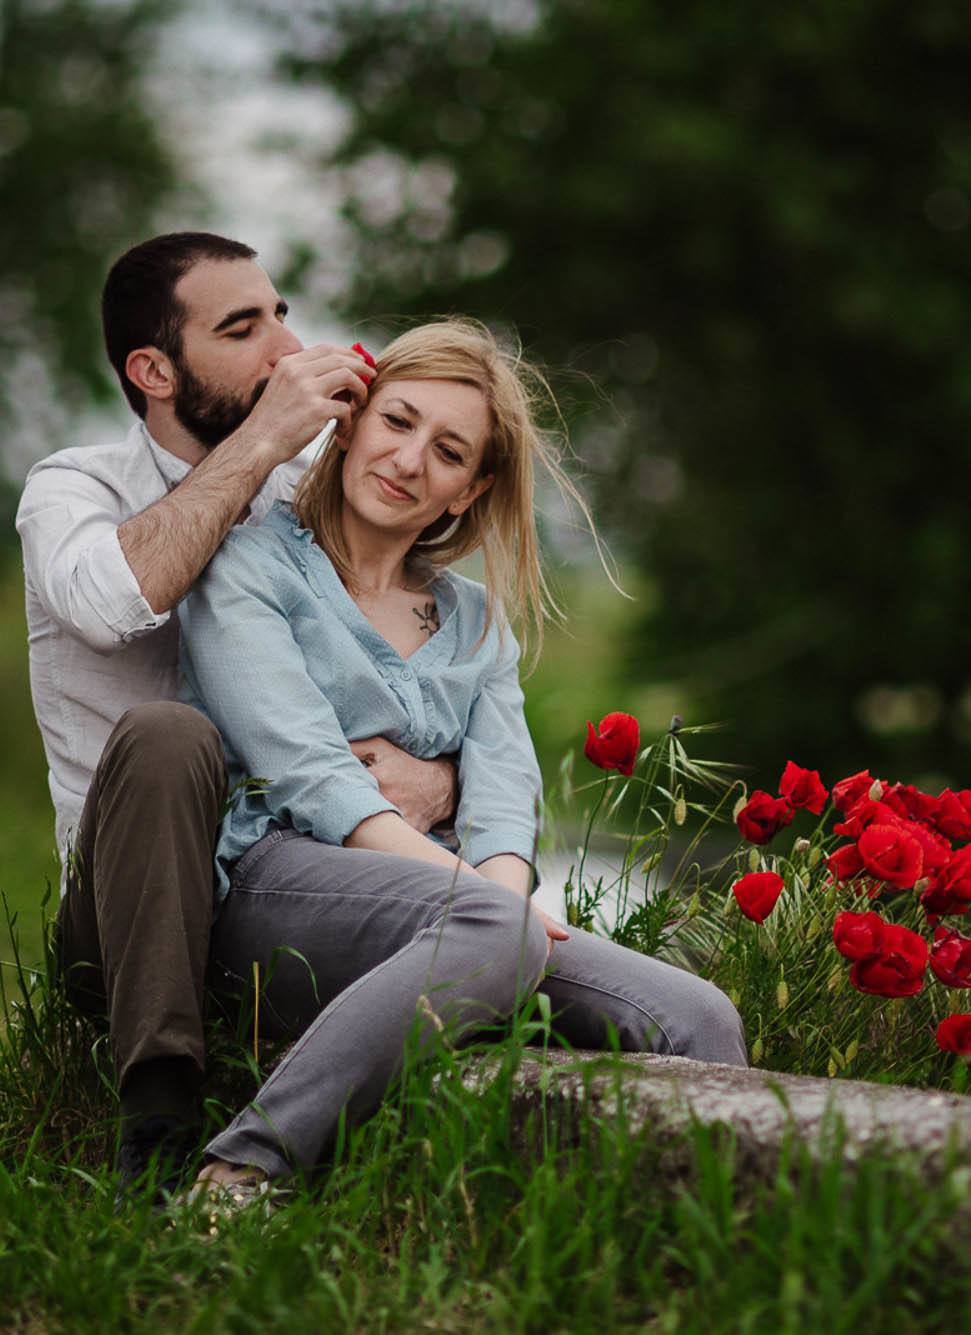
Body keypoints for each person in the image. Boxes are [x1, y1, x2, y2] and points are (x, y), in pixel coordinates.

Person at [174, 318, 744, 1204]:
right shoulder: (249, 565)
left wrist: (501, 894)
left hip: (451, 914)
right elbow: (307, 772)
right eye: (396, 422)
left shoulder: (475, 620)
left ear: (466, 493)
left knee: (699, 1016)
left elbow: (506, 792)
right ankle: (244, 1166)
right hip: (268, 886)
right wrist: (482, 904)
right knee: (497, 927)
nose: (408, 460)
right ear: (351, 423)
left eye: (447, 452)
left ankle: (677, 1242)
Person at [16, 232, 459, 1193]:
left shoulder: (309, 506)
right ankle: (160, 1126)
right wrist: (263, 442)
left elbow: (414, 668)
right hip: (127, 929)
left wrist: (444, 774)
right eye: (242, 327)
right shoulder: (74, 487)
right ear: (154, 370)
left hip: (293, 887)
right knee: (174, 736)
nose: (285, 349)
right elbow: (109, 602)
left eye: (282, 315)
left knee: (495, 926)